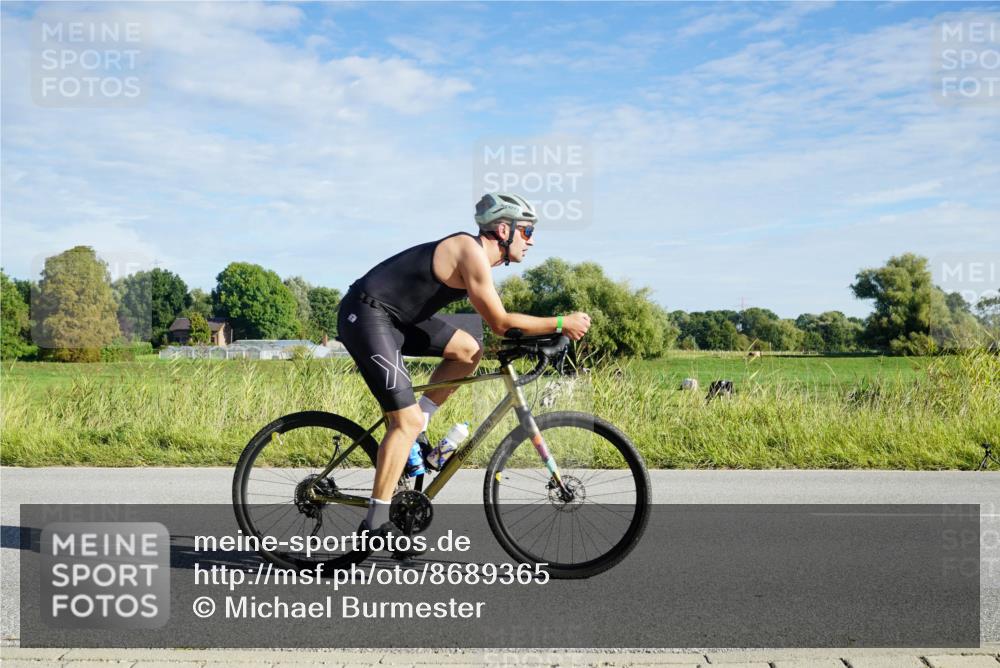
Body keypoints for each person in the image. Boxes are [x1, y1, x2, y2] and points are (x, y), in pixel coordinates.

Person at [336, 192, 591, 546]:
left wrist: (538, 339)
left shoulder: (480, 262)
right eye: (528, 232)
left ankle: (420, 427)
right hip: (366, 315)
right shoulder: (469, 251)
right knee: (402, 422)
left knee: (469, 350)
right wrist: (561, 322)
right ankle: (375, 525)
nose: (532, 241)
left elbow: (497, 330)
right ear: (504, 229)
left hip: (398, 319)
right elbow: (501, 322)